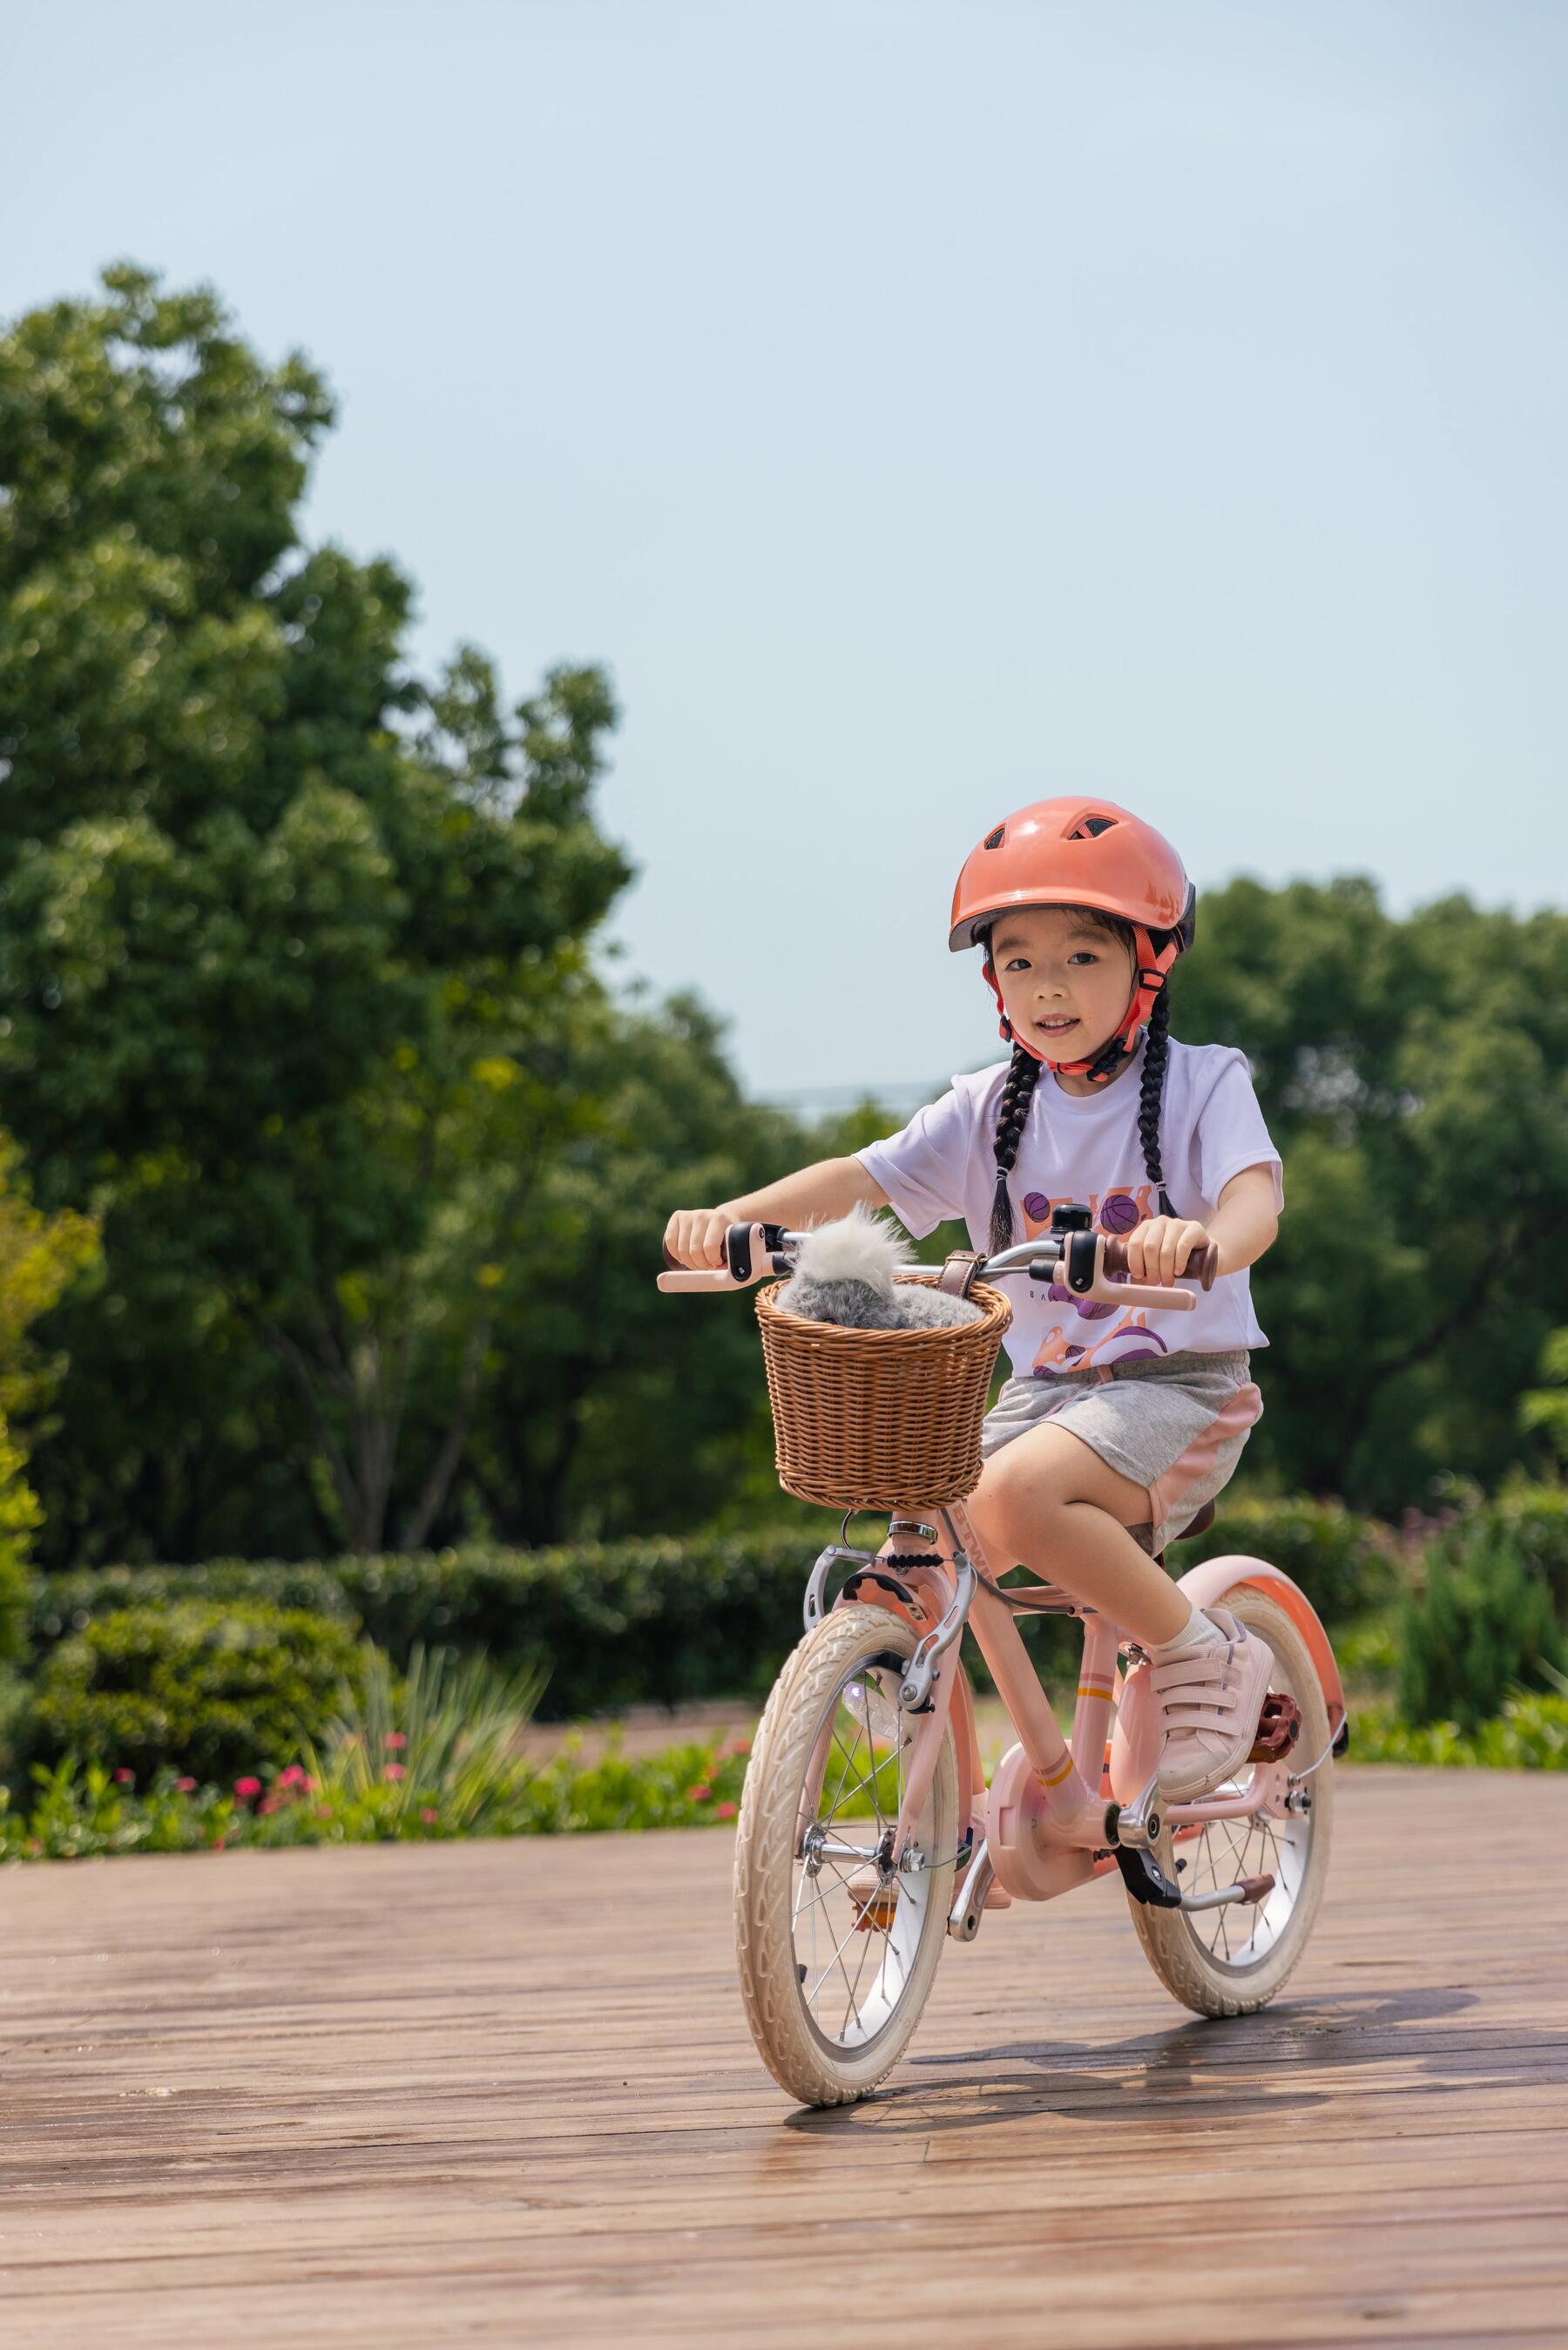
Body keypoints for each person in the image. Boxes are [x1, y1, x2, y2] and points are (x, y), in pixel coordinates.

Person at [663, 796, 1281, 1800]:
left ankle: (1200, 1649)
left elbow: (1257, 1196)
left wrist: (1203, 1239)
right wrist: (728, 1220)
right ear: (994, 981)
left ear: (1149, 965)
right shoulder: (989, 1106)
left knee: (1010, 1495)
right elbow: (860, 1177)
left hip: (1181, 1387)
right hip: (1044, 1395)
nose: (1048, 986)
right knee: (923, 1507)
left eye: (1083, 956)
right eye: (1019, 960)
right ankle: (930, 1757)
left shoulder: (1204, 1086)